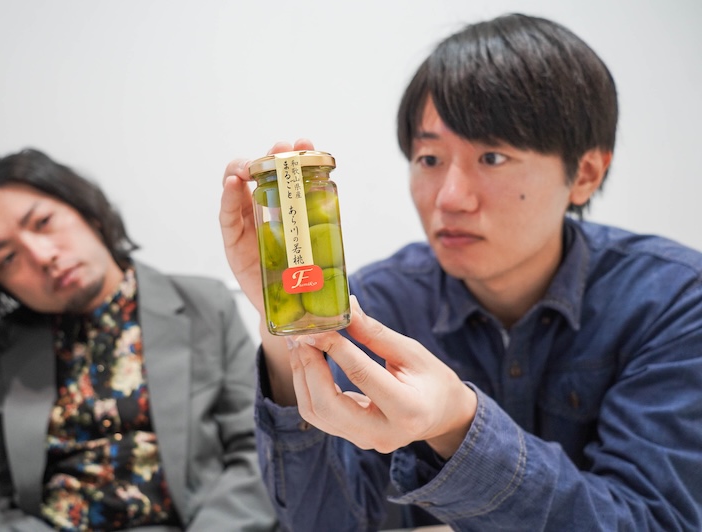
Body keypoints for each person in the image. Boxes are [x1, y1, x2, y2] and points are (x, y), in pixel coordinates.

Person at [219, 13, 702, 531]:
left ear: (584, 173)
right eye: (429, 159)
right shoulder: (377, 302)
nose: (450, 198)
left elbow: (657, 521)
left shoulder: (673, 301)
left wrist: (458, 426)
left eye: (492, 157)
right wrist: (284, 328)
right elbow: (327, 523)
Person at [0, 148, 278, 531]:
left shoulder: (205, 306)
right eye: (8, 257)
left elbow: (256, 451)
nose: (42, 256)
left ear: (85, 210)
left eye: (43, 222)